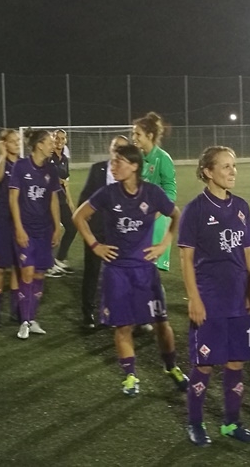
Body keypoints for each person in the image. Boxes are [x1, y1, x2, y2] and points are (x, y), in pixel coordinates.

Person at [73, 144, 188, 397]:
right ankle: (130, 376)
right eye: (113, 161)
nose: (113, 166)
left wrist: (164, 244)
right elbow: (79, 217)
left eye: (119, 162)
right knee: (123, 326)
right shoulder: (108, 193)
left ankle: (171, 367)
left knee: (161, 323)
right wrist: (95, 245)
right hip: (117, 271)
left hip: (145, 271)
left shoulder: (152, 193)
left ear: (134, 166)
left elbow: (176, 214)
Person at [180, 146, 250, 446]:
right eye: (226, 166)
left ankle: (231, 423)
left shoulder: (241, 206)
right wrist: (194, 298)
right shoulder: (195, 210)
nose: (232, 171)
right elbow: (186, 259)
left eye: (233, 165)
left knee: (236, 362)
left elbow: (249, 252)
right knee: (204, 365)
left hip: (239, 300)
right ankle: (195, 423)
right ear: (208, 171)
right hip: (210, 301)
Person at [9, 129, 62, 340]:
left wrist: (57, 227)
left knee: (39, 274)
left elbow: (53, 200)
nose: (53, 146)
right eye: (50, 142)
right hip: (26, 229)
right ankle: (24, 321)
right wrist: (19, 228)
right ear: (39, 144)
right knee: (27, 272)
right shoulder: (21, 166)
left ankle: (31, 319)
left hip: (44, 230)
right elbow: (13, 199)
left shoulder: (51, 169)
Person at [76, 135, 129, 328]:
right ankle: (88, 313)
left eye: (122, 148)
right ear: (110, 149)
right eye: (116, 147)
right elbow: (84, 197)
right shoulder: (97, 169)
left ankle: (113, 311)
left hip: (119, 231)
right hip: (96, 231)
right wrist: (88, 220)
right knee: (92, 271)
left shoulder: (129, 173)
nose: (118, 151)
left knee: (117, 273)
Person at [133, 112, 177, 273]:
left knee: (150, 264)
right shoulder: (137, 157)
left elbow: (170, 191)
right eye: (133, 133)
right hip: (138, 215)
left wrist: (158, 212)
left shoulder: (163, 158)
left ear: (150, 136)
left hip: (156, 218)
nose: (134, 137)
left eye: (138, 134)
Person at [0, 129, 21, 326]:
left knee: (17, 267)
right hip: (0, 221)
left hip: (19, 222)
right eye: (12, 141)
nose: (17, 143)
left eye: (18, 140)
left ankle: (15, 310)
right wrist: (1, 156)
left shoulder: (23, 164)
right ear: (4, 144)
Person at [46, 129, 78, 277]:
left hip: (62, 200)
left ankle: (59, 258)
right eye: (57, 138)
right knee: (53, 232)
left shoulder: (64, 159)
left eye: (63, 138)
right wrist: (56, 179)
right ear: (53, 139)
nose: (60, 141)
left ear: (66, 140)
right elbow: (44, 176)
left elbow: (66, 182)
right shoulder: (48, 157)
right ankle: (47, 264)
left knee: (72, 227)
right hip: (50, 200)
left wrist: (70, 201)